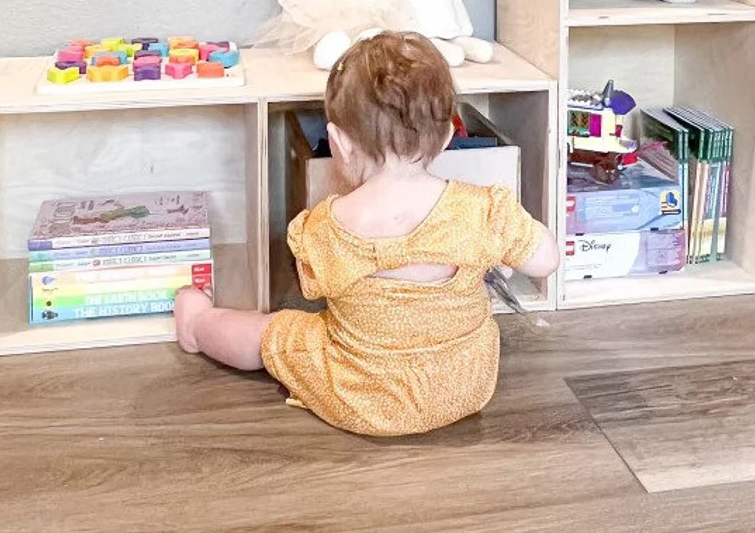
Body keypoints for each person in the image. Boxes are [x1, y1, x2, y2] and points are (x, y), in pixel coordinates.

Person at [174, 31, 559, 437]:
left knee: (272, 333)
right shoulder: (485, 210)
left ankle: (197, 326)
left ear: (338, 141)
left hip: (362, 398)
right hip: (465, 386)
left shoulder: (327, 226)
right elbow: (546, 260)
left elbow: (311, 286)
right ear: (448, 136)